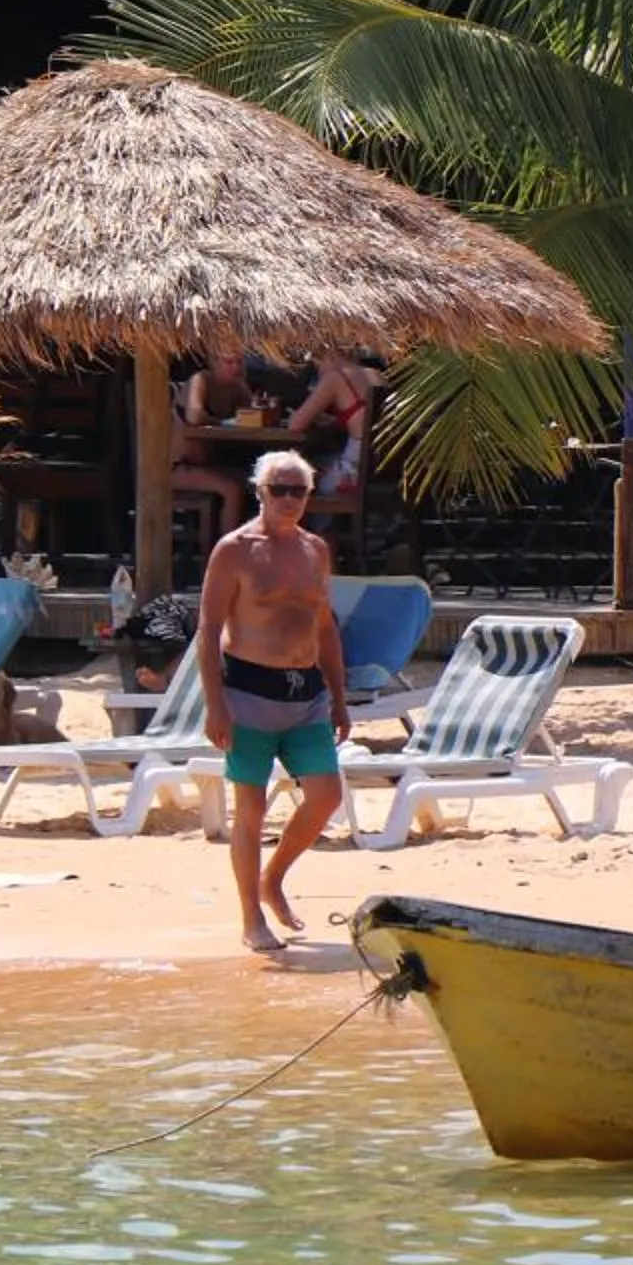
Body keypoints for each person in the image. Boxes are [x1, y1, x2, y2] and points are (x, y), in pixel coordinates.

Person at [198, 449, 351, 954]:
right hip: (248, 691)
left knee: (326, 796)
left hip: (304, 692)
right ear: (260, 492)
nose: (289, 499)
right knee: (252, 807)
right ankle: (251, 917)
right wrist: (214, 703)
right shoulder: (234, 550)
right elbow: (209, 628)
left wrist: (339, 697)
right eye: (278, 490)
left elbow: (324, 627)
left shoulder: (315, 549)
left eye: (298, 491)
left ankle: (274, 878)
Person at [175, 342, 261, 533]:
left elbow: (253, 416)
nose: (236, 367)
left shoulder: (237, 386)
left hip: (210, 465)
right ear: (214, 363)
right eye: (228, 362)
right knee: (232, 489)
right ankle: (227, 547)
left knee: (258, 482)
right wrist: (223, 422)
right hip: (178, 467)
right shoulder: (201, 380)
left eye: (239, 362)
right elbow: (194, 416)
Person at [288, 348, 377, 495]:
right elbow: (364, 420)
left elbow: (295, 425)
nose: (319, 372)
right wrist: (335, 421)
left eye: (318, 364)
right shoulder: (375, 375)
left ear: (330, 355)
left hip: (353, 473)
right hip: (378, 469)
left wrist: (294, 416)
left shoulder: (336, 378)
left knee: (299, 474)